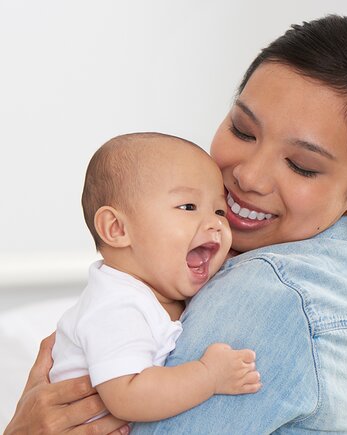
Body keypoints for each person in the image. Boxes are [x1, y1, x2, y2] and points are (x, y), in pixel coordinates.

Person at [5, 14, 347, 434]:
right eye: (243, 131)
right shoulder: (324, 274)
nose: (249, 177)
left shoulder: (272, 290)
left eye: (301, 165)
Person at [49, 132, 261, 423]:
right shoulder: (116, 305)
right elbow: (129, 396)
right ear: (117, 229)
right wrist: (208, 375)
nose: (215, 224)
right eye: (188, 207)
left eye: (219, 210)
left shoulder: (161, 290)